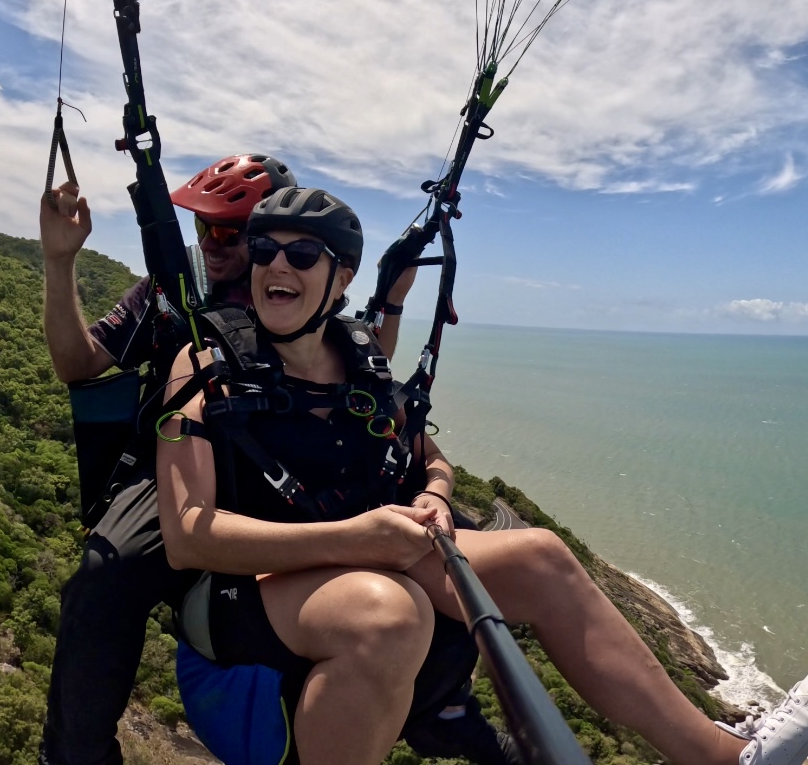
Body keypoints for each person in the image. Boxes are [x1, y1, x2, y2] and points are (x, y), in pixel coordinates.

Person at [156, 186, 808, 765]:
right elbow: (190, 535)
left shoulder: (358, 360)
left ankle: (723, 755)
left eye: (302, 253)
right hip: (239, 591)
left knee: (541, 555)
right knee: (388, 612)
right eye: (264, 250)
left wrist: (435, 495)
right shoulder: (208, 361)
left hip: (360, 554)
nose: (277, 264)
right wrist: (358, 537)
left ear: (340, 279)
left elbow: (430, 456)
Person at [38, 155, 494, 765]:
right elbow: (80, 363)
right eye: (205, 229)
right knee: (104, 575)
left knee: (442, 534)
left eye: (230, 232)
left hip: (278, 456)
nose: (215, 246)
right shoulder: (174, 290)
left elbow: (361, 372)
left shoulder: (290, 292)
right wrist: (60, 260)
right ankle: (76, 753)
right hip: (186, 461)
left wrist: (395, 300)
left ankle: (442, 705)